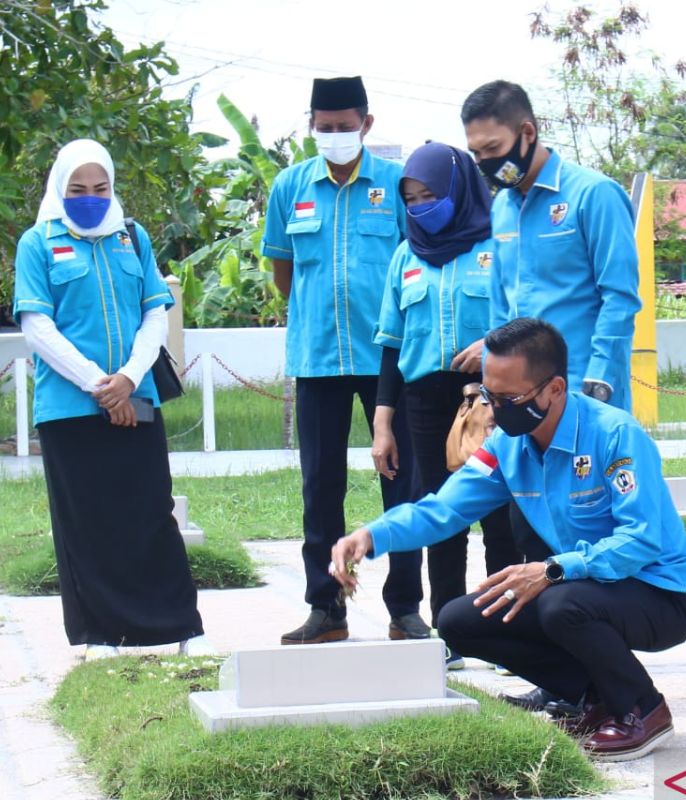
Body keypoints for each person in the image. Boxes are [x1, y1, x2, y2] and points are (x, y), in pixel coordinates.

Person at [332, 318, 686, 762]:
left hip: (660, 595)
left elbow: (642, 541)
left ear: (555, 389)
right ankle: (594, 699)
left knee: (559, 604)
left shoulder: (614, 435)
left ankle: (642, 710)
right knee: (459, 621)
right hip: (586, 589)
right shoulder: (508, 445)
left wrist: (554, 570)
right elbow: (445, 509)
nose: (496, 410)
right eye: (489, 395)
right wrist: (372, 536)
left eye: (510, 398)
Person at [13, 139, 210, 661]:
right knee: (87, 520)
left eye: (100, 188)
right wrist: (99, 384)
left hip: (137, 397)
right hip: (69, 406)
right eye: (78, 189)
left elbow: (153, 313)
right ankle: (100, 636)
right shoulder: (38, 244)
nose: (90, 198)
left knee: (150, 512)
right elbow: (38, 326)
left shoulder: (132, 237)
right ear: (60, 188)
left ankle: (173, 626)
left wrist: (127, 378)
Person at [262, 76, 425, 645]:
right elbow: (283, 269)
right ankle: (326, 608)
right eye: (324, 128)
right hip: (317, 359)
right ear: (311, 125)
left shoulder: (395, 185)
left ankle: (405, 609)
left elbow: (416, 264)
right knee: (320, 489)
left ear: (366, 125)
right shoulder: (290, 187)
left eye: (344, 127)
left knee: (401, 485)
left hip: (388, 358)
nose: (334, 136)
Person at [371, 141, 519, 670]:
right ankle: (451, 630)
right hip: (424, 402)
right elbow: (390, 345)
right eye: (410, 198)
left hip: (491, 397)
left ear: (458, 190)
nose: (420, 206)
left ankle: (508, 631)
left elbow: (522, 316)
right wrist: (382, 424)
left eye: (431, 194)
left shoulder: (496, 246)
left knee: (502, 513)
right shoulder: (404, 256)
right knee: (443, 514)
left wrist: (495, 345)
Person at [461, 80, 641, 411]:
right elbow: (501, 306)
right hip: (517, 394)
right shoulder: (501, 207)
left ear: (527, 132)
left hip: (580, 386)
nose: (485, 162)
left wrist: (599, 378)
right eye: (477, 153)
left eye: (493, 149)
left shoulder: (595, 194)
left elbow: (619, 297)